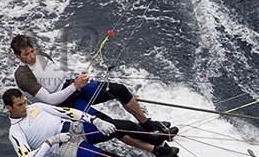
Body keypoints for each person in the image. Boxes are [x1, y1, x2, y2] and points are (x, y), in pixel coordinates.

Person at [3, 90, 201, 157]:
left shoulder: (35, 107)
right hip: (66, 147)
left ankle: (156, 139)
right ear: (9, 108)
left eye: (24, 102)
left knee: (120, 126)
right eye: (20, 105)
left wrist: (95, 120)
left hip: (74, 128)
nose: (25, 106)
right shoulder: (16, 133)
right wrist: (51, 141)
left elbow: (68, 112)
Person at [9, 33, 170, 132]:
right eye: (26, 55)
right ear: (18, 56)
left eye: (31, 51)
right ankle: (152, 144)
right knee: (108, 124)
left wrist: (78, 79)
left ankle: (147, 124)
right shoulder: (23, 75)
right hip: (63, 105)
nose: (31, 56)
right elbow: (51, 100)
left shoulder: (41, 55)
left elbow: (59, 76)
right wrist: (75, 86)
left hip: (72, 87)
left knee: (119, 89)